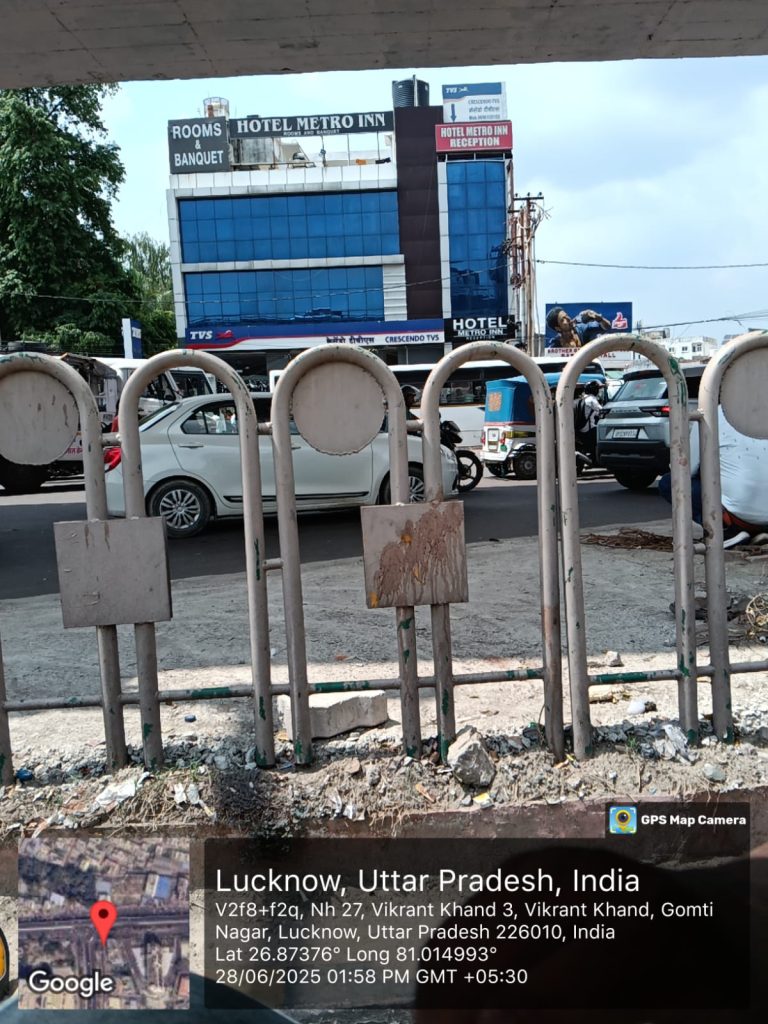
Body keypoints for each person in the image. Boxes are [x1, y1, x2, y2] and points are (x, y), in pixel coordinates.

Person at [658, 409, 768, 547]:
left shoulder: (709, 413)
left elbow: (686, 470)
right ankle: (760, 531)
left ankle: (724, 530)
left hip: (739, 517)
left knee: (669, 483)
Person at [546, 306, 611, 348]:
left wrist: (597, 317)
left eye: (566, 315)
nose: (568, 318)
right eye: (563, 319)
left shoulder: (582, 328)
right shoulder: (555, 345)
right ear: (558, 328)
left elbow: (607, 326)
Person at [573, 379, 602, 462]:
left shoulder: (583, 398)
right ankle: (596, 458)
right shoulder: (592, 399)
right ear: (595, 390)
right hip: (588, 429)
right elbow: (601, 410)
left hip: (579, 427)